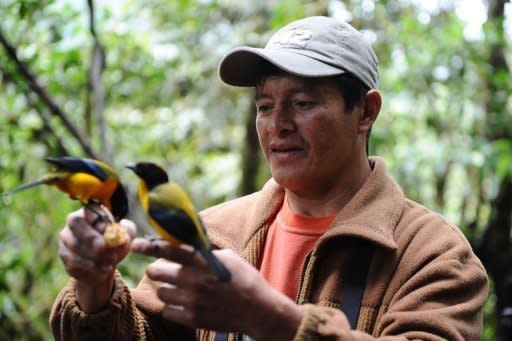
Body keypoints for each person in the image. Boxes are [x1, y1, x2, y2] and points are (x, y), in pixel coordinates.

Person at [50, 16, 488, 340]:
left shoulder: (433, 256)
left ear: (365, 112)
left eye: (301, 103)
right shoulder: (218, 231)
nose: (277, 124)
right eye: (264, 106)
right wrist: (96, 287)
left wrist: (271, 320)